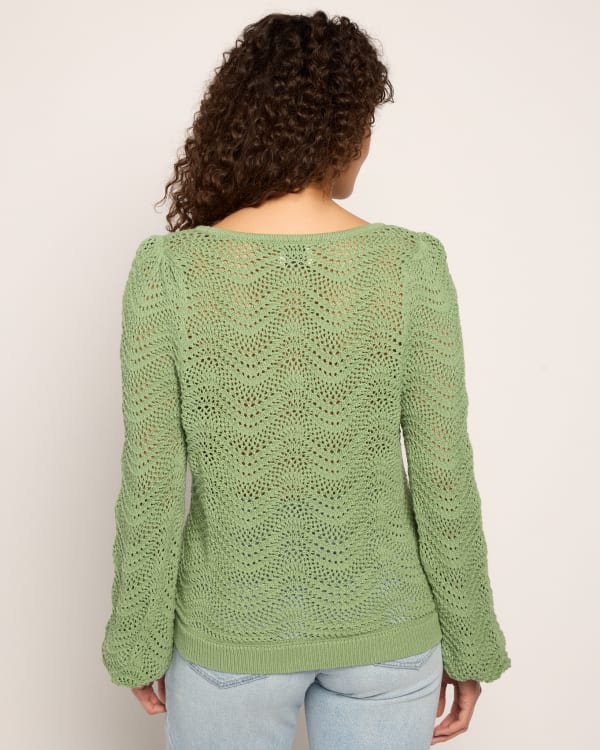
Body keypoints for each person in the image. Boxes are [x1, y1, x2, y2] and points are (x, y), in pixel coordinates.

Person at [101, 10, 511, 749]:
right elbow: (443, 472)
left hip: (230, 634)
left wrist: (138, 636)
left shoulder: (170, 273)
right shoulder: (410, 266)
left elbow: (154, 480)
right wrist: (470, 640)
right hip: (389, 633)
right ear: (342, 131)